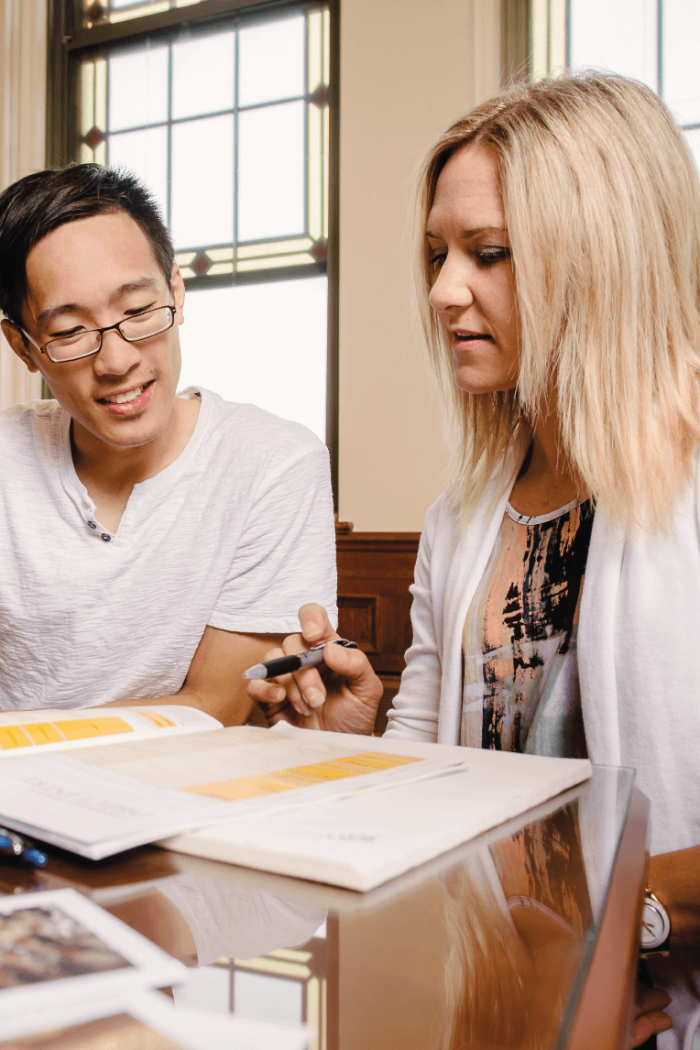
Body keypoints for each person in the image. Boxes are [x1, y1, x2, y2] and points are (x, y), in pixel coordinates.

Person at [248, 73, 700, 1047]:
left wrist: (618, 925)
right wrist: (357, 732)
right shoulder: (459, 517)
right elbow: (429, 778)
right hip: (483, 999)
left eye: (488, 254)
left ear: (603, 257)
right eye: (436, 254)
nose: (444, 289)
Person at [0, 163, 337, 722]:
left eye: (137, 312)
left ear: (177, 292)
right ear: (24, 346)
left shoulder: (275, 464)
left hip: (178, 796)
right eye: (68, 332)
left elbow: (211, 708)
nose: (117, 361)